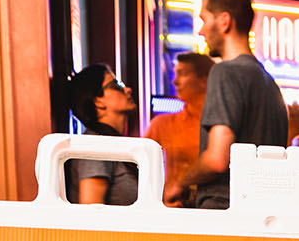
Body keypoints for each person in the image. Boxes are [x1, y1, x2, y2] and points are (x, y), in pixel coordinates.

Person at [170, 0, 288, 209]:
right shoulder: (269, 85)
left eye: (204, 20)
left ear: (224, 21)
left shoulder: (225, 72)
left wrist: (181, 182)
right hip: (261, 213)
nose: (200, 31)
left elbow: (217, 159)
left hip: (223, 212)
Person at [145, 52, 214, 208]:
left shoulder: (221, 127)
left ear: (204, 80)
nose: (175, 82)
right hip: (171, 212)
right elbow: (141, 170)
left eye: (182, 74)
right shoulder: (162, 125)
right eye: (176, 74)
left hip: (213, 212)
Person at [66, 64, 138, 205]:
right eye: (116, 85)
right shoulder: (95, 145)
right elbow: (92, 209)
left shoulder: (111, 142)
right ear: (98, 101)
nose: (128, 90)